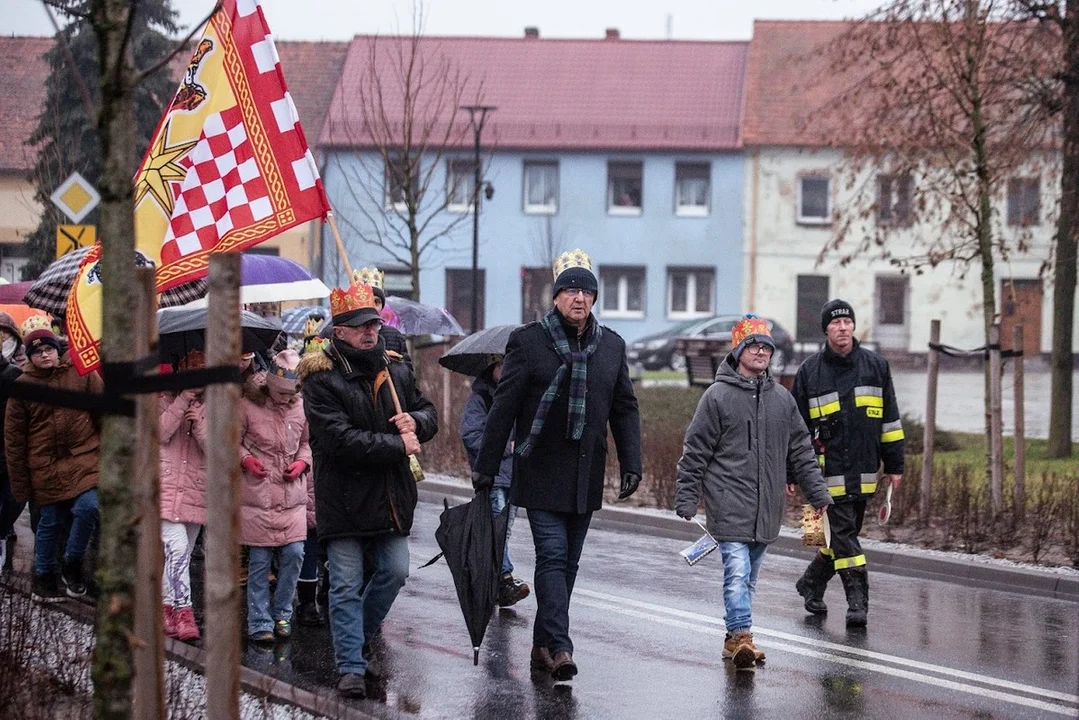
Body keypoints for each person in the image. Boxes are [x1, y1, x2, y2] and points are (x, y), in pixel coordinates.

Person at [473, 248, 642, 682]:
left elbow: (624, 408)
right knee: (552, 556)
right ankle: (562, 647)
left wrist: (632, 461)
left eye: (586, 290)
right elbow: (504, 408)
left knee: (568, 565)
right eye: (570, 290)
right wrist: (486, 466)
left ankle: (541, 645)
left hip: (586, 474)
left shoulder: (612, 347)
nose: (579, 298)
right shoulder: (528, 342)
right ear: (556, 296)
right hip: (541, 469)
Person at [298, 280, 437, 699]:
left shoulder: (395, 367)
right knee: (343, 583)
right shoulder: (320, 380)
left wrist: (418, 424)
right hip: (342, 498)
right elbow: (338, 441)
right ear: (338, 332)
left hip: (390, 497)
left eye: (373, 323)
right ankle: (351, 668)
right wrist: (398, 444)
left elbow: (426, 410)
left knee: (394, 572)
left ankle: (354, 639)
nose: (370, 331)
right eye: (359, 326)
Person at [674, 315, 831, 669]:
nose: (761, 351)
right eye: (754, 345)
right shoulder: (717, 397)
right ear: (739, 351)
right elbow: (695, 450)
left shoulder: (783, 400)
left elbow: (802, 451)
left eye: (766, 347)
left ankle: (733, 640)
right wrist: (686, 497)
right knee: (737, 572)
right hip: (728, 505)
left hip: (767, 508)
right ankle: (743, 635)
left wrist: (818, 496)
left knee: (750, 579)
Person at [792, 299, 905, 627]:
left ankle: (811, 583)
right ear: (826, 329)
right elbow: (795, 429)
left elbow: (890, 421)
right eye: (836, 323)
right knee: (843, 536)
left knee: (838, 537)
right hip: (822, 476)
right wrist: (790, 471)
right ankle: (858, 601)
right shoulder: (809, 372)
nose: (842, 328)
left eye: (847, 322)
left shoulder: (876, 367)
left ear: (854, 327)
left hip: (864, 471)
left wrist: (895, 465)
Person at [5, 316, 103, 602]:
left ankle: (72, 564)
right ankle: (44, 577)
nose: (44, 355)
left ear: (56, 347)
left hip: (85, 459)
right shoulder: (22, 387)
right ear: (30, 357)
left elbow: (103, 413)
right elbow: (15, 441)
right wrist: (21, 487)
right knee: (49, 522)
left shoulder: (81, 371)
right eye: (37, 352)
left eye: (48, 349)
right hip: (45, 467)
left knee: (89, 508)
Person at [238, 349, 312, 644]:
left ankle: (282, 612)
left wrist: (302, 463)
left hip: (292, 496)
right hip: (258, 495)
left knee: (295, 554)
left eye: (290, 392)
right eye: (279, 392)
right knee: (259, 560)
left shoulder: (301, 408)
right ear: (269, 384)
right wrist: (245, 459)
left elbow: (307, 443)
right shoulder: (246, 406)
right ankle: (258, 620)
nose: (284, 398)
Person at [460, 356, 530, 608]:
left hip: (516, 477)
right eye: (501, 366)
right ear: (492, 370)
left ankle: (487, 581)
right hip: (494, 476)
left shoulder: (519, 396)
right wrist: (505, 447)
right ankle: (504, 579)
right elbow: (471, 435)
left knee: (503, 531)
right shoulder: (482, 400)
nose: (506, 370)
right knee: (496, 530)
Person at [159, 350, 209, 641]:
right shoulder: (163, 399)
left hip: (196, 490)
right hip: (165, 487)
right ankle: (184, 611)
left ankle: (166, 606)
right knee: (177, 548)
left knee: (181, 554)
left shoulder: (216, 406)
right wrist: (182, 402)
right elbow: (161, 433)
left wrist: (199, 424)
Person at [0, 313, 24, 574]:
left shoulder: (16, 373)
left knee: (14, 499)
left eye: (5, 332)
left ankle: (4, 531)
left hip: (11, 450)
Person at [352, 267, 411, 364]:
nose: (372, 306)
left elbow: (408, 375)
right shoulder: (341, 334)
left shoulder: (395, 336)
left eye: (377, 302)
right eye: (367, 300)